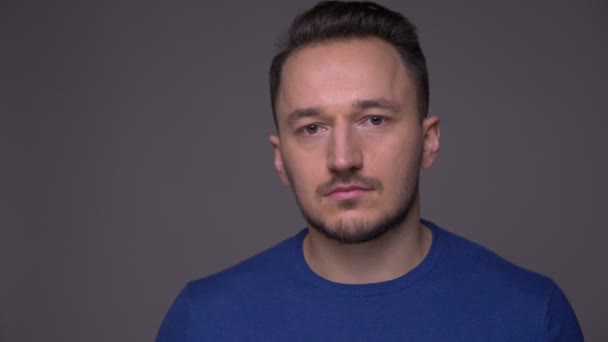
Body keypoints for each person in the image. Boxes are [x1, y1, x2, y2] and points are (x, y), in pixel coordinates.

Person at [157, 1, 584, 341]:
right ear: (280, 158)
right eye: (312, 128)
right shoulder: (204, 321)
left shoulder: (531, 317)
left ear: (429, 140)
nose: (343, 158)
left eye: (374, 120)